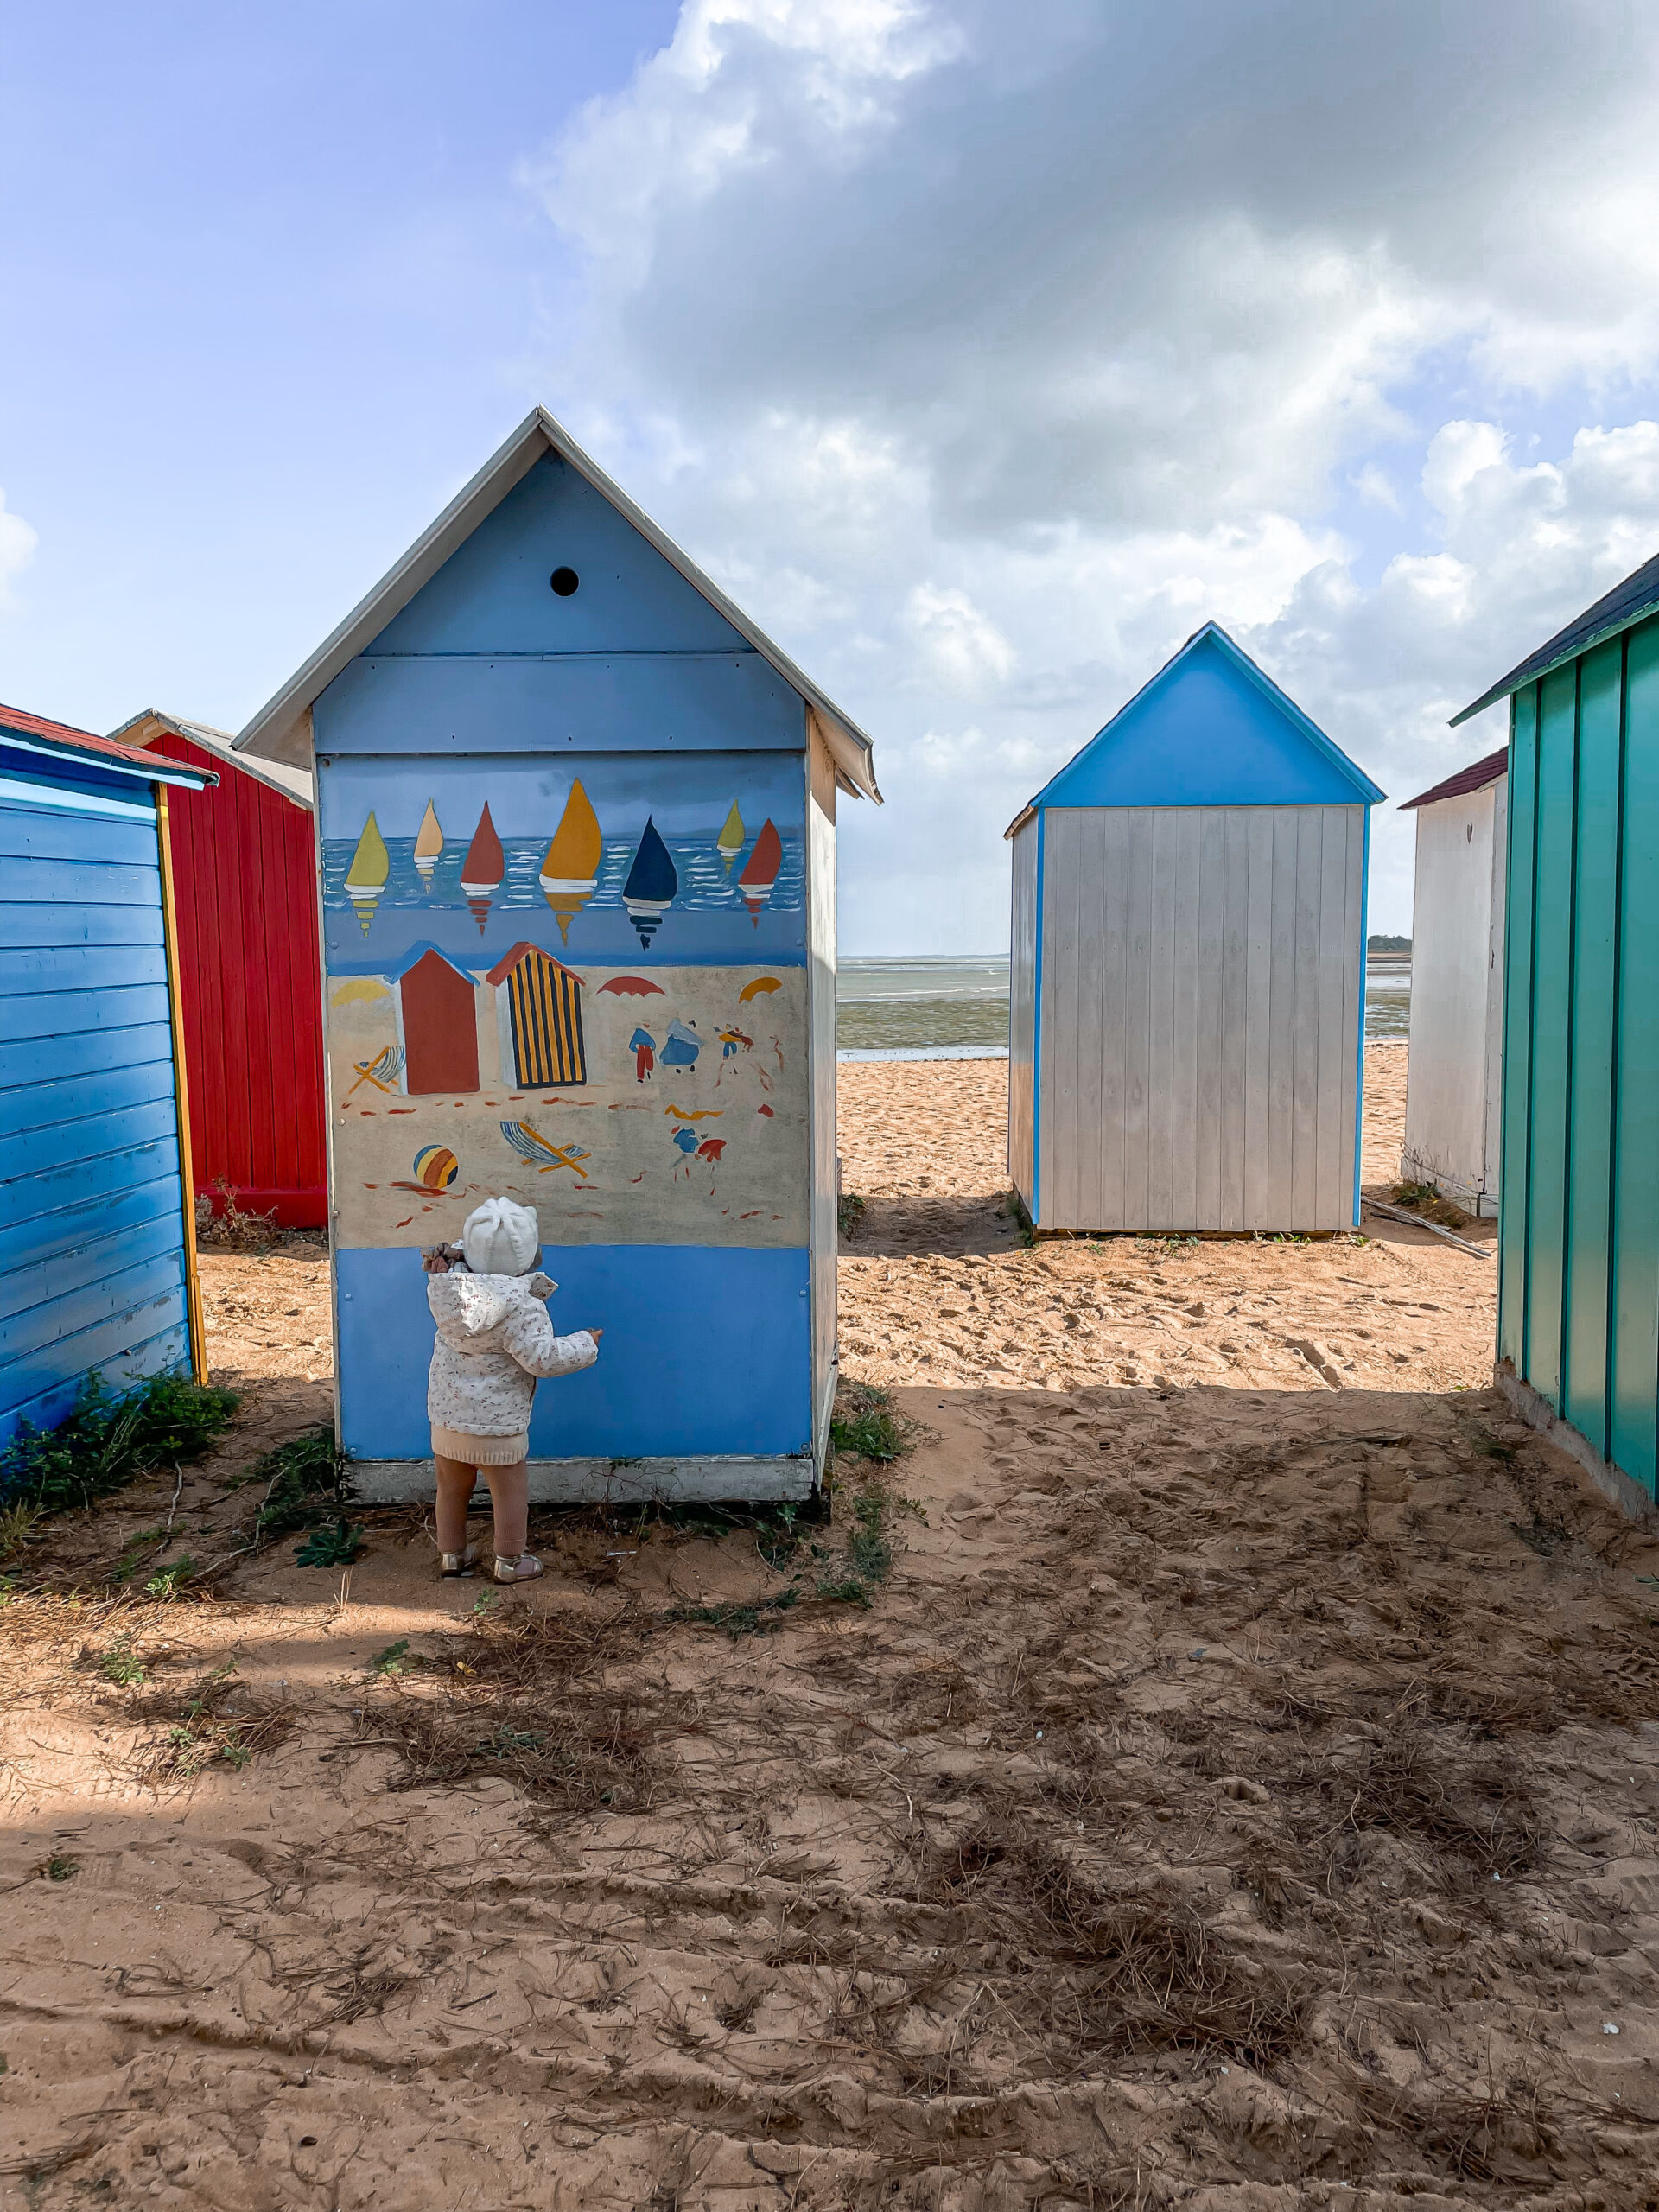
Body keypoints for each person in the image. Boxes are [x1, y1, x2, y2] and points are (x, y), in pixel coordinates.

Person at [422, 1197, 601, 1583]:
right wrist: (585, 1343)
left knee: (451, 1488)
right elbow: (543, 1359)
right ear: (529, 1256)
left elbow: (474, 1251)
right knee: (510, 1494)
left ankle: (452, 1556)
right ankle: (509, 1561)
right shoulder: (522, 1305)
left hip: (448, 1419)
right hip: (498, 1426)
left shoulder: (448, 1293)